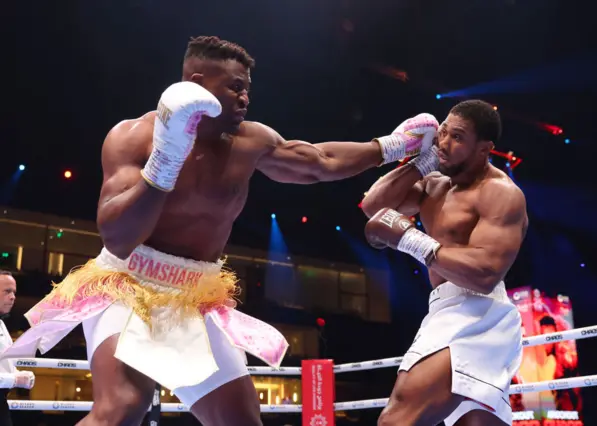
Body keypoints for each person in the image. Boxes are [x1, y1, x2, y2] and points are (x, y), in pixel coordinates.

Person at [0, 36, 439, 426]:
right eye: (236, 87)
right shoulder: (134, 136)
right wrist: (165, 162)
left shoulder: (250, 140)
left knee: (240, 419)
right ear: (196, 82)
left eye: (248, 87)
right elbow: (117, 235)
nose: (246, 97)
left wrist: (391, 146)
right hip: (127, 284)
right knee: (121, 409)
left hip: (197, 296)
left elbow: (318, 163)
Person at [362, 99, 528, 426]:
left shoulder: (500, 193)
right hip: (444, 307)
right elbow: (374, 205)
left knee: (397, 419)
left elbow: (484, 274)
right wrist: (420, 162)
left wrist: (411, 239)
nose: (444, 143)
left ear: (484, 149)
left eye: (458, 137)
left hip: (478, 312)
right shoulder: (434, 186)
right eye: (443, 133)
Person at [0, 271, 35, 426]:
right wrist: (14, 379)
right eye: (7, 291)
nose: (13, 297)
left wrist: (18, 374)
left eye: (14, 292)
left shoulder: (1, 324)